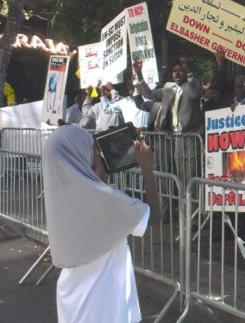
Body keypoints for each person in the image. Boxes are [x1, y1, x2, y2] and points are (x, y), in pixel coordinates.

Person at [42, 125, 161, 323]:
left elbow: (91, 190)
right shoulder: (108, 201)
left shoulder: (60, 197)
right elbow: (154, 216)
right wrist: (146, 167)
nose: (97, 153)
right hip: (105, 305)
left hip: (71, 300)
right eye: (93, 149)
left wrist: (97, 174)